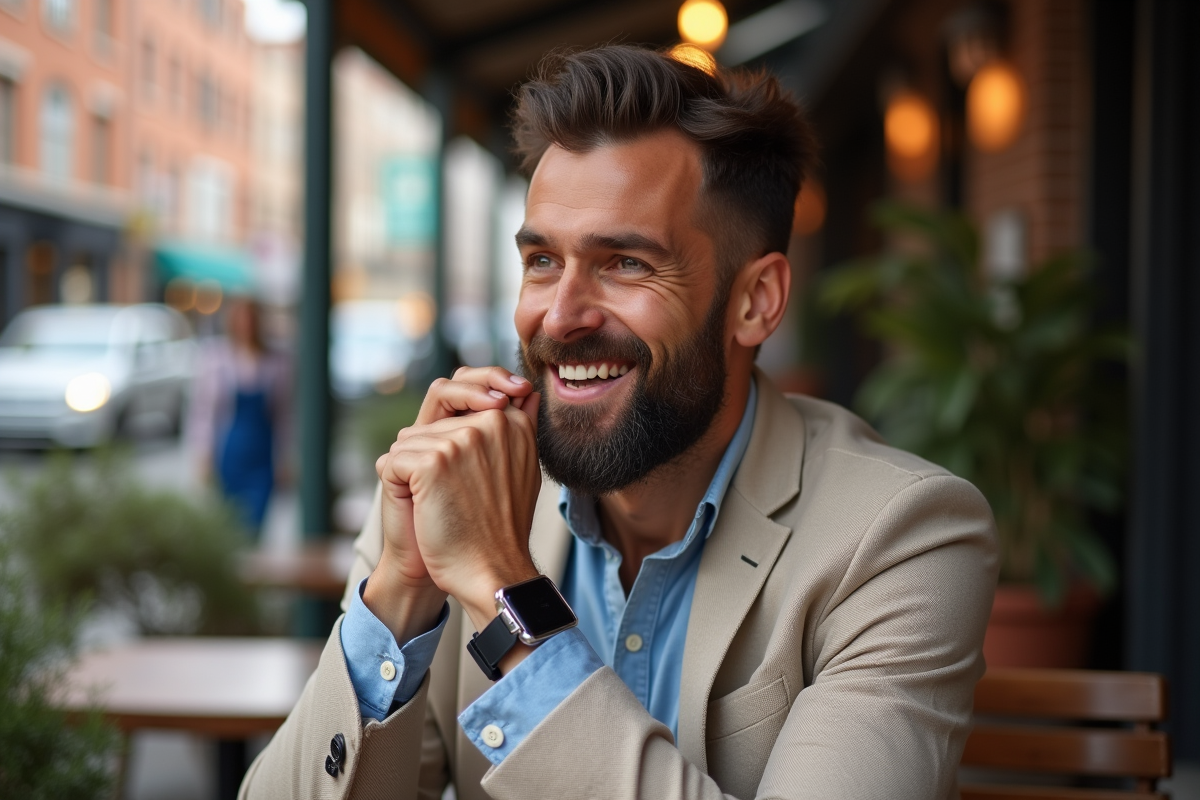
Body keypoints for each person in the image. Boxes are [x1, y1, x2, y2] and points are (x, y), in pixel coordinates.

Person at [240, 45, 997, 799]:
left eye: (626, 263)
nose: (560, 316)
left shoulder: (903, 538)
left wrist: (511, 598)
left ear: (755, 301)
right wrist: (400, 595)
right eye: (542, 261)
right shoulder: (451, 493)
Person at [186, 296, 291, 537]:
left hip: (262, 454)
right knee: (228, 522)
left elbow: (285, 416)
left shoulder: (277, 363)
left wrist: (285, 458)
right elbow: (202, 412)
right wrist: (203, 454)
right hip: (230, 453)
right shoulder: (216, 359)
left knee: (256, 523)